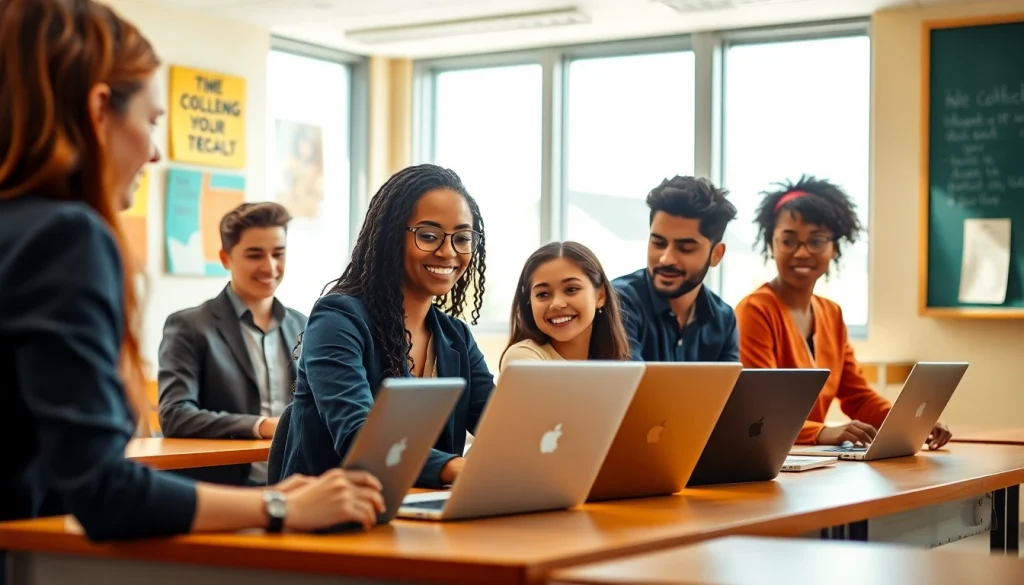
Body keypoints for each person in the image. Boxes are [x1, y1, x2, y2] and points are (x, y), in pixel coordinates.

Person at [0, 0, 382, 543]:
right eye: (152, 122)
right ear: (99, 109)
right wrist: (277, 507)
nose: (155, 154)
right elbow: (103, 491)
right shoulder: (65, 237)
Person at [280, 164, 494, 488]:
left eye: (462, 238)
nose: (448, 251)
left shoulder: (455, 338)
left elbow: (500, 427)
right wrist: (455, 468)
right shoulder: (338, 319)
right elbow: (360, 438)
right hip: (332, 519)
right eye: (428, 235)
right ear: (392, 237)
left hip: (420, 517)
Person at [735, 175, 952, 449]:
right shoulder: (755, 311)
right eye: (788, 241)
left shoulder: (831, 313)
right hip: (766, 458)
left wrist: (912, 422)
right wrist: (823, 432)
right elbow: (759, 411)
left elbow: (857, 396)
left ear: (834, 247)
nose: (802, 253)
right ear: (771, 245)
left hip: (805, 461)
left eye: (816, 241)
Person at [158, 202, 306, 486]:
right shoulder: (189, 326)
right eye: (254, 255)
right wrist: (261, 426)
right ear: (225, 258)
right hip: (224, 491)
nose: (270, 267)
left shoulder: (304, 325)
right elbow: (175, 414)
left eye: (278, 253)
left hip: (297, 486)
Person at [613, 175, 740, 362]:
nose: (666, 259)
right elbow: (629, 387)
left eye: (685, 248)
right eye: (658, 243)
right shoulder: (619, 302)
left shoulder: (723, 319)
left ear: (716, 254)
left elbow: (730, 391)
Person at [501, 241, 630, 369]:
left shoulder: (611, 364)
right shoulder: (523, 358)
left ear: (600, 296)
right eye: (543, 294)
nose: (557, 304)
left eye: (571, 289)